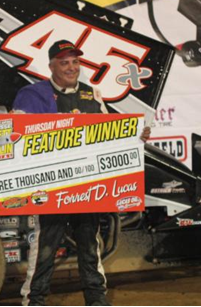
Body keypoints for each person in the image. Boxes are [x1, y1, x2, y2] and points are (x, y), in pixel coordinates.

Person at [13, 40, 150, 306]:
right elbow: (14, 134)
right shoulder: (32, 94)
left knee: (90, 246)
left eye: (75, 62)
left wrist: (136, 136)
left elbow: (110, 135)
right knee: (45, 248)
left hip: (85, 187)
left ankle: (97, 300)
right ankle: (34, 301)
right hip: (49, 188)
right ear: (51, 65)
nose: (71, 67)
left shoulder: (92, 95)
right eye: (64, 62)